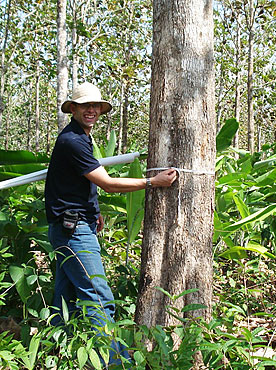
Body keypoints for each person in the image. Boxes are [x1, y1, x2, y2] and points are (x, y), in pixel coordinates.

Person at [44, 82, 177, 368]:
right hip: (73, 232)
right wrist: (153, 182)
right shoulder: (72, 140)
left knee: (65, 298)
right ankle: (115, 362)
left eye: (96, 106)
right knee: (98, 296)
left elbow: (76, 183)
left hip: (75, 224)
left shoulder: (80, 137)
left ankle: (58, 355)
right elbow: (108, 183)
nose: (91, 111)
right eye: (85, 106)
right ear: (74, 109)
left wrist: (94, 211)